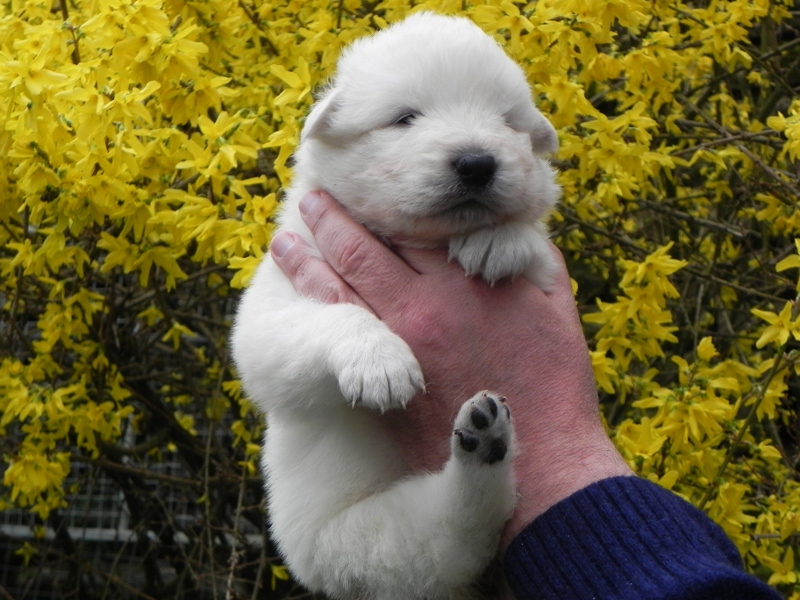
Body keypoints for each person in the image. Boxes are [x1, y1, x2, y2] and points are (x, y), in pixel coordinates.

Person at [267, 190, 782, 600]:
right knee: (380, 541)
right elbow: (262, 354)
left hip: (539, 553)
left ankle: (475, 494)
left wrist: (518, 248)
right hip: (352, 513)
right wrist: (348, 336)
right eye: (405, 120)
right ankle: (470, 507)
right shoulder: (304, 239)